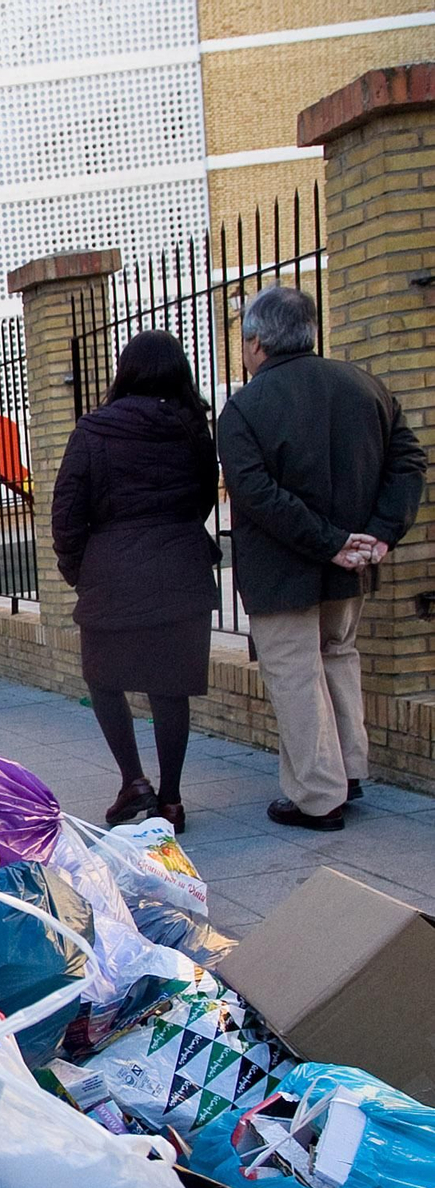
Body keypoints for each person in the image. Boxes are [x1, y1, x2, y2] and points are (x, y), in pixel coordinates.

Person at [220, 287, 426, 831]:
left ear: (256, 341)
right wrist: (378, 536)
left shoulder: (244, 408)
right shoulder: (366, 387)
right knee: (338, 656)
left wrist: (332, 540)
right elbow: (409, 463)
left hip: (283, 570)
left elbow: (255, 493)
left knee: (295, 676)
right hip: (350, 567)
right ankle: (348, 770)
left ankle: (318, 795)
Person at [52, 330, 220, 832]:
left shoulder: (93, 431)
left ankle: (134, 782)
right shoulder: (194, 430)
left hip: (113, 575)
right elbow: (204, 500)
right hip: (182, 572)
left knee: (103, 680)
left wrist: (82, 571)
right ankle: (170, 800)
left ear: (125, 372)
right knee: (171, 690)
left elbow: (66, 514)